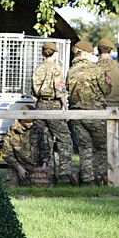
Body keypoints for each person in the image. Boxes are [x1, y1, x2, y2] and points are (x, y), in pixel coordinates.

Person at [66, 40, 111, 185]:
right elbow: (106, 90)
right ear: (85, 53)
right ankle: (101, 178)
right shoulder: (96, 69)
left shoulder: (71, 71)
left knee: (85, 148)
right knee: (101, 147)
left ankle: (87, 180)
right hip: (96, 113)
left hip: (77, 113)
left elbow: (67, 90)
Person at [31, 40, 75, 185]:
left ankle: (46, 176)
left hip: (40, 105)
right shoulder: (56, 69)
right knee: (65, 140)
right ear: (55, 53)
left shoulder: (38, 69)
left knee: (46, 140)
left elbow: (33, 92)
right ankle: (64, 176)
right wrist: (66, 108)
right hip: (53, 105)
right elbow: (61, 90)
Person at [96, 37, 119, 177]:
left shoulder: (94, 69)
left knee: (102, 145)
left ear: (98, 51)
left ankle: (103, 175)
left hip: (101, 111)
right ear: (112, 50)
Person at [2, 107, 51, 186]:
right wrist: (18, 167)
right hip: (19, 166)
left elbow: (45, 149)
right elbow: (7, 154)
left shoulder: (39, 130)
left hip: (36, 166)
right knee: (11, 184)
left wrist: (44, 164)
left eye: (32, 121)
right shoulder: (12, 132)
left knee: (42, 186)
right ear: (21, 120)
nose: (31, 124)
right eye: (28, 122)